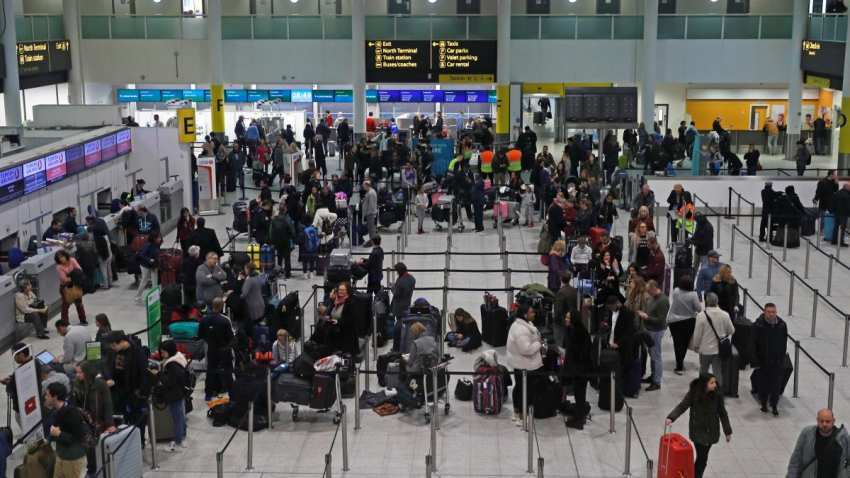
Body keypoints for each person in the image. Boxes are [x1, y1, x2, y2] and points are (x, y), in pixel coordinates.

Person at [665, 374, 732, 478]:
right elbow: (683, 405)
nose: (715, 385)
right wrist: (671, 417)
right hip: (698, 431)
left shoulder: (717, 395)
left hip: (711, 431)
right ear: (704, 384)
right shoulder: (694, 393)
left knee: (702, 459)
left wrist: (727, 431)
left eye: (714, 382)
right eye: (712, 383)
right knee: (702, 459)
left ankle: (692, 475)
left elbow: (723, 413)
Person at [73, 361, 116, 476]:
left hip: (100, 421)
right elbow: (75, 405)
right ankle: (92, 470)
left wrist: (110, 423)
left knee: (101, 450)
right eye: (76, 372)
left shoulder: (100, 384)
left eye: (80, 372)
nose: (77, 375)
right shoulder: (76, 385)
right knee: (89, 451)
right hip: (85, 423)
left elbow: (107, 404)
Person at [506, 306, 545, 425]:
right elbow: (526, 349)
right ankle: (521, 414)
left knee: (520, 388)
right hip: (524, 364)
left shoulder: (525, 324)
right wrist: (539, 343)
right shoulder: (520, 330)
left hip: (523, 363)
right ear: (524, 314)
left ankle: (518, 411)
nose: (534, 313)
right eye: (531, 312)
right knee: (524, 390)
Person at [787, 408, 850, 477]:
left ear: (833, 421)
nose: (824, 424)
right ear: (817, 420)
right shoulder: (807, 434)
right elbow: (796, 461)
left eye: (827, 421)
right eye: (821, 421)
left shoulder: (843, 438)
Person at [689, 293, 735, 387]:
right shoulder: (725, 315)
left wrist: (696, 346)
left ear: (706, 302)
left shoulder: (701, 316)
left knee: (703, 371)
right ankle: (718, 393)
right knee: (717, 372)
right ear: (717, 301)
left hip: (705, 350)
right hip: (719, 350)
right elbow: (731, 330)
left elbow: (697, 335)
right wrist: (722, 334)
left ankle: (702, 390)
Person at [44, 382, 88, 478]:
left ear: (54, 397)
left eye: (47, 395)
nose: (45, 397)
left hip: (73, 460)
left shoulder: (72, 414)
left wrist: (59, 434)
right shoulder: (55, 412)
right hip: (61, 457)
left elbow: (77, 438)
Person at [752, 303, 788, 415]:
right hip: (763, 360)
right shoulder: (758, 325)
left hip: (777, 361)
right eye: (769, 312)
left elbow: (784, 342)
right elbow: (752, 344)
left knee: (776, 384)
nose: (771, 314)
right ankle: (763, 403)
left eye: (773, 312)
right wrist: (755, 360)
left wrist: (782, 358)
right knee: (763, 383)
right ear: (764, 312)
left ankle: (774, 405)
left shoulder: (782, 325)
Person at [154, 340, 189, 452]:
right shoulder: (179, 359)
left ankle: (177, 441)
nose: (162, 354)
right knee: (180, 416)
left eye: (164, 352)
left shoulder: (172, 364)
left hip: (174, 394)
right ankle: (182, 435)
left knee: (177, 417)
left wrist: (158, 374)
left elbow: (170, 381)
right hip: (180, 393)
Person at [199, 298, 234, 400]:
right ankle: (232, 394)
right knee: (227, 372)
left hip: (211, 349)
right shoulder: (225, 320)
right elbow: (231, 337)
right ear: (222, 306)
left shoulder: (204, 319)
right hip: (224, 350)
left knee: (210, 371)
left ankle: (208, 395)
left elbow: (200, 335)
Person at [667, 275, 702, 375]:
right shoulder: (693, 295)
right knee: (684, 343)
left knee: (677, 343)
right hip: (688, 321)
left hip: (673, 321)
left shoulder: (676, 291)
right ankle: (680, 362)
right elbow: (699, 309)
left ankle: (679, 364)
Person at [640, 280, 669, 391]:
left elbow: (661, 320)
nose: (648, 293)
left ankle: (657, 382)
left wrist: (647, 317)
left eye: (649, 291)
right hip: (650, 329)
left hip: (656, 331)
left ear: (654, 288)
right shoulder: (653, 297)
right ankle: (653, 376)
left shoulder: (663, 301)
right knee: (652, 355)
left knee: (656, 356)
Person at [55, 250, 87, 324]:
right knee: (65, 306)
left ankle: (83, 320)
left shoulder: (72, 260)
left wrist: (71, 276)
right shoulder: (59, 267)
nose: (61, 259)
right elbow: (64, 279)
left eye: (62, 256)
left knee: (79, 303)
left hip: (76, 285)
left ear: (65, 255)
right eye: (59, 258)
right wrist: (74, 275)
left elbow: (79, 270)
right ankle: (65, 322)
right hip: (65, 288)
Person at [390, 263, 416, 345]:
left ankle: (398, 343)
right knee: (404, 323)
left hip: (399, 306)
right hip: (407, 303)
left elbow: (396, 294)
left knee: (399, 324)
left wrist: (393, 287)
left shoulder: (401, 281)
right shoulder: (412, 278)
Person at [135, 232, 162, 303]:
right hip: (145, 265)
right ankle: (138, 296)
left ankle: (155, 298)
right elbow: (141, 255)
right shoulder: (148, 245)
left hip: (154, 265)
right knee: (144, 281)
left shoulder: (157, 244)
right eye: (158, 237)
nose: (160, 239)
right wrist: (149, 259)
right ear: (154, 239)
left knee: (155, 282)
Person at [270, 204, 295, 278]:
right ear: (285, 210)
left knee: (279, 257)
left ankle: (278, 272)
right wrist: (292, 237)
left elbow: (271, 232)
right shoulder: (287, 219)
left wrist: (273, 241)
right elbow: (292, 231)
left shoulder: (274, 219)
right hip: (286, 241)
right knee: (287, 258)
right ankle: (287, 273)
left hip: (277, 242)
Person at [240, 262, 266, 327]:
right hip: (261, 304)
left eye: (245, 269)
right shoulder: (258, 277)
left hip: (252, 306)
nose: (244, 270)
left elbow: (244, 294)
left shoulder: (249, 280)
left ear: (248, 269)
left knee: (252, 326)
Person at [830, 182, 850, 247]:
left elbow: (833, 202)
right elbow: (848, 206)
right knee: (842, 228)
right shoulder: (847, 195)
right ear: (846, 187)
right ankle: (841, 242)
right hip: (843, 214)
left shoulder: (837, 193)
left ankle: (834, 240)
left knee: (836, 227)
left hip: (837, 213)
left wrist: (832, 211)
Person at [362, 180, 379, 247]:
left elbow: (371, 205)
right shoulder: (369, 192)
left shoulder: (371, 193)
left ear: (367, 185)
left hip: (370, 214)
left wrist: (368, 214)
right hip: (370, 213)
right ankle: (372, 240)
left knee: (371, 229)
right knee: (370, 229)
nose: (363, 187)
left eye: (364, 186)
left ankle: (372, 242)